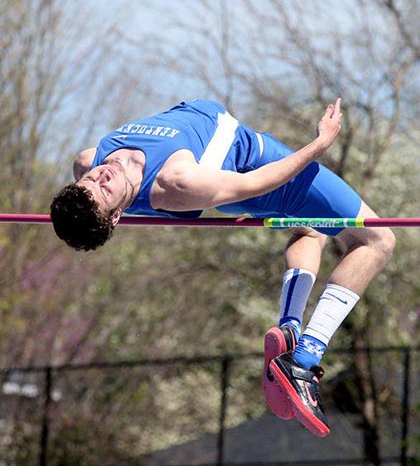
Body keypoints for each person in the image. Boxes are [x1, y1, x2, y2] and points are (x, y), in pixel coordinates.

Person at [50, 99, 395, 436]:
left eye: (91, 182)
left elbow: (90, 191)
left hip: (230, 170)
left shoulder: (87, 161)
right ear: (115, 217)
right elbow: (256, 184)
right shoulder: (176, 182)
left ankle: (289, 329)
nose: (100, 176)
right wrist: (320, 143)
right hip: (259, 168)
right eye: (103, 190)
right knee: (378, 241)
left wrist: (91, 193)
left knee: (309, 231)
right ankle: (305, 359)